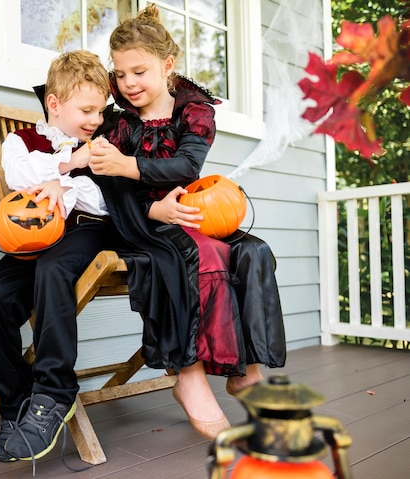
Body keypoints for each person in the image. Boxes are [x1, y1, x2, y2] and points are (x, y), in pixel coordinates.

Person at [88, 4, 286, 439]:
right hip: (138, 223)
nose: (129, 83)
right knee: (201, 253)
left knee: (253, 251)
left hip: (189, 213)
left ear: (167, 65)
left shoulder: (193, 111)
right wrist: (148, 207)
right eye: (120, 75)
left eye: (138, 71)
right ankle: (188, 375)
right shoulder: (116, 125)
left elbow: (185, 166)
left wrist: (128, 166)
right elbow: (98, 187)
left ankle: (245, 371)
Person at [0, 50, 114, 464]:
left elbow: (107, 200)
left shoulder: (103, 145)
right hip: (34, 236)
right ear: (54, 104)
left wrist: (65, 187)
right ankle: (16, 403)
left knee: (54, 270)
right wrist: (69, 164)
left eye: (100, 111)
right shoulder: (22, 140)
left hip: (87, 231)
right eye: (86, 110)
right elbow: (19, 176)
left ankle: (54, 392)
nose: (95, 119)